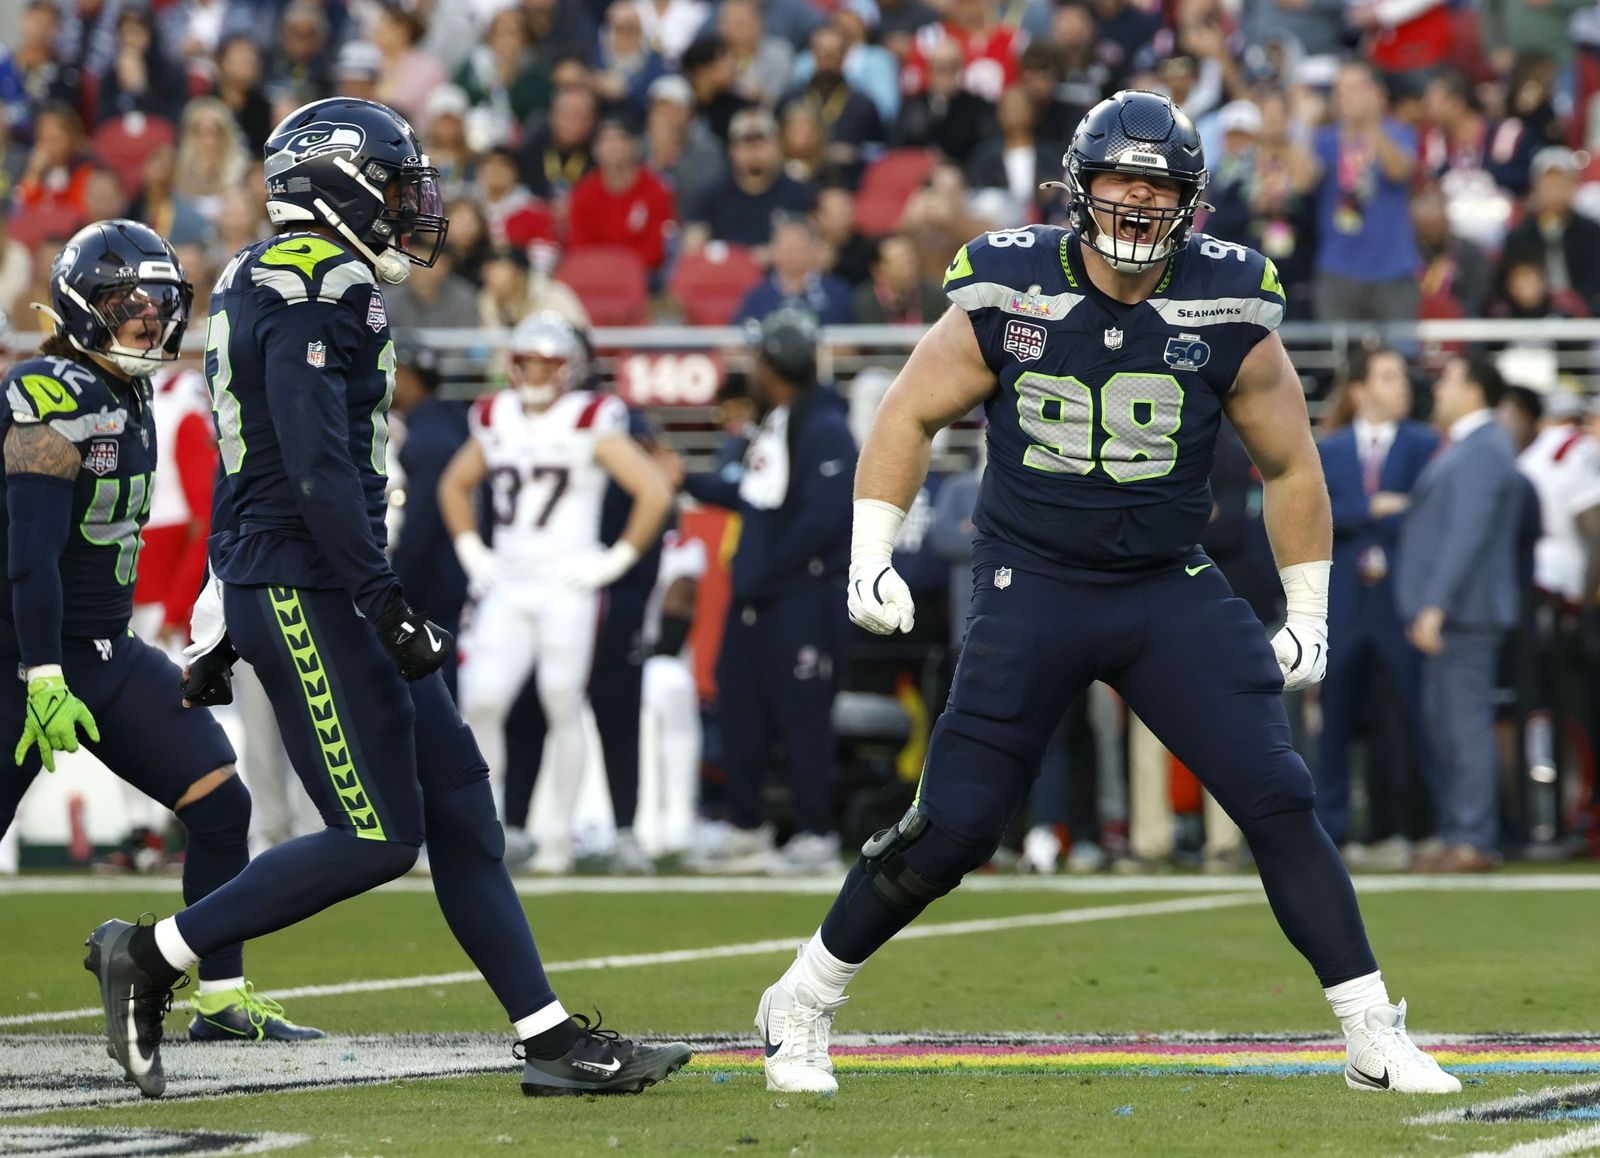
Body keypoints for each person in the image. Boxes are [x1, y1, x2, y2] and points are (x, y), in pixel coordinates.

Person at [751, 91, 1460, 1097]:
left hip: (1162, 583)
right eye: (1122, 180)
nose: (1137, 202)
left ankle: (1366, 1030)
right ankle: (804, 997)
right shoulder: (1009, 284)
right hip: (1029, 577)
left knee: (1276, 792)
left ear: (1190, 201)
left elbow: (1292, 464)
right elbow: (907, 416)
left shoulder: (1226, 301)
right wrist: (875, 547)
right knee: (953, 826)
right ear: (1077, 188)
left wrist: (1307, 610)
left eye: (1159, 185)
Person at [81, 99, 691, 1100]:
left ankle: (547, 1041)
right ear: (343, 182)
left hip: (292, 574)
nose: (415, 206)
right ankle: (151, 952)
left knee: (460, 806)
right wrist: (369, 595)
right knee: (376, 835)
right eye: (400, 183)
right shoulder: (328, 279)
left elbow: (256, 460)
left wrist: (229, 605)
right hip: (314, 584)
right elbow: (313, 462)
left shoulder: (248, 274)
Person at [0, 219, 321, 1053]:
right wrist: (39, 674)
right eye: (125, 300)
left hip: (108, 652)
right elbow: (27, 560)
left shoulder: (133, 391)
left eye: (160, 301)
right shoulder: (47, 392)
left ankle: (220, 995)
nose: (148, 317)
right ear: (81, 304)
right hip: (24, 654)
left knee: (223, 804)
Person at [439, 312, 673, 875]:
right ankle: (484, 827)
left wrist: (614, 559)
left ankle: (558, 839)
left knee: (561, 697)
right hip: (510, 580)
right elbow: (453, 483)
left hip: (567, 580)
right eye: (526, 361)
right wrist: (471, 547)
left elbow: (654, 489)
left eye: (547, 362)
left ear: (570, 368)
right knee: (481, 698)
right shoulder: (493, 415)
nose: (536, 372)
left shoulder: (592, 417)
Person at [659, 309, 856, 875]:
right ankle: (747, 828)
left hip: (801, 599)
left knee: (802, 718)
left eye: (760, 360)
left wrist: (767, 572)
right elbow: (754, 495)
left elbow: (824, 518)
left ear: (777, 366)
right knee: (741, 708)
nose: (752, 370)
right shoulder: (783, 419)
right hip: (760, 602)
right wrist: (689, 480)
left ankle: (816, 833)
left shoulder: (823, 426)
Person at [1396, 356, 1526, 873]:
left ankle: (1473, 837)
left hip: (1464, 612)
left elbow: (1465, 535)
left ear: (1475, 388)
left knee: (1464, 726)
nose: (1439, 389)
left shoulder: (1484, 447)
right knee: (1447, 726)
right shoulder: (1470, 445)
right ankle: (1457, 832)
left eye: (1449, 378)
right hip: (1456, 612)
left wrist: (1434, 604)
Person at [1315, 348, 1439, 869]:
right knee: (1334, 722)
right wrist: (1374, 507)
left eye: (1403, 378)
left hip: (1402, 602)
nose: (1402, 386)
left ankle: (1429, 828)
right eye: (1388, 377)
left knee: (1418, 717)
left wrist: (1369, 517)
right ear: (1359, 389)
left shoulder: (1426, 444)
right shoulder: (1329, 449)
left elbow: (1429, 515)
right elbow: (1313, 514)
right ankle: (1331, 833)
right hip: (1343, 604)